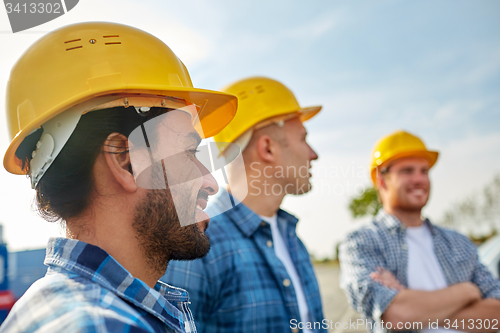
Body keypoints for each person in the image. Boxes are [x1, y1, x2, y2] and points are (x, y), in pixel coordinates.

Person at [0, 22, 237, 333]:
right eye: (188, 153)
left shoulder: (61, 307)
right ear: (125, 162)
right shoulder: (101, 325)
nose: (210, 182)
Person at [162, 76, 327, 333]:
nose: (313, 154)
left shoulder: (293, 239)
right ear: (268, 148)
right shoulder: (197, 246)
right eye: (303, 138)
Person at [339, 130, 500, 333]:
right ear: (382, 179)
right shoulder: (362, 242)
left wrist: (414, 304)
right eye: (407, 171)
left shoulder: (459, 242)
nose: (419, 179)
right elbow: (395, 316)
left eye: (424, 171)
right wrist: (467, 292)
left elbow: (496, 316)